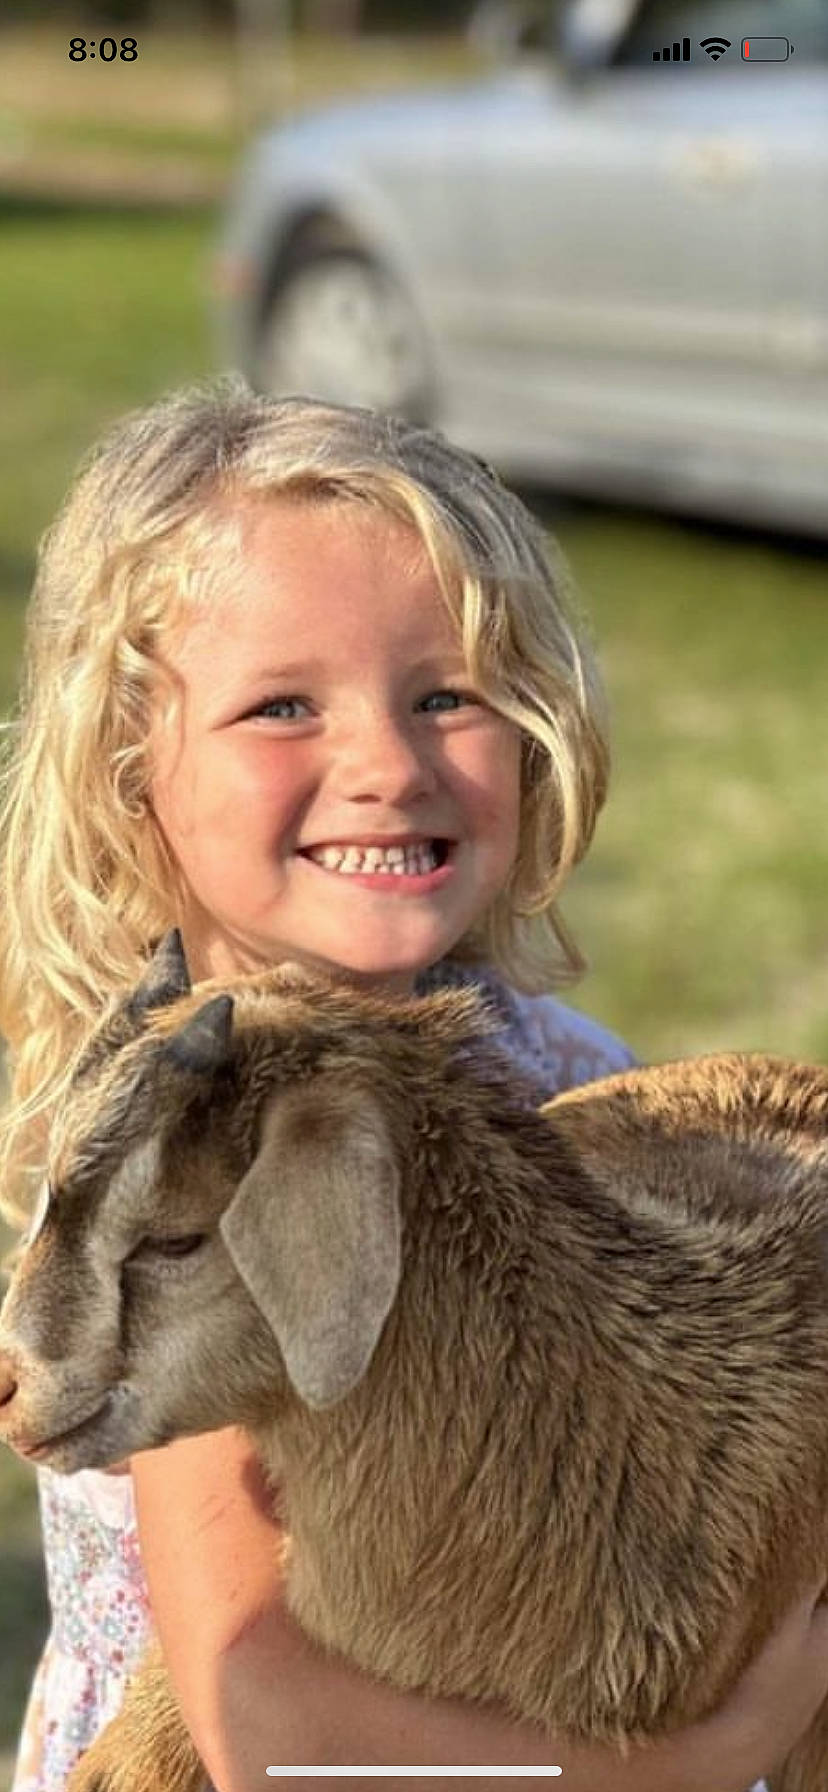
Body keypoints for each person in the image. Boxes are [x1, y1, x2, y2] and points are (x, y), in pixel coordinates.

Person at [0, 378, 826, 1792]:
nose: (385, 764)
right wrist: (714, 1752)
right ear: (134, 760)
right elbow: (267, 1730)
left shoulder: (569, 1077)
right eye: (279, 707)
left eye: (446, 696)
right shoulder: (195, 1163)